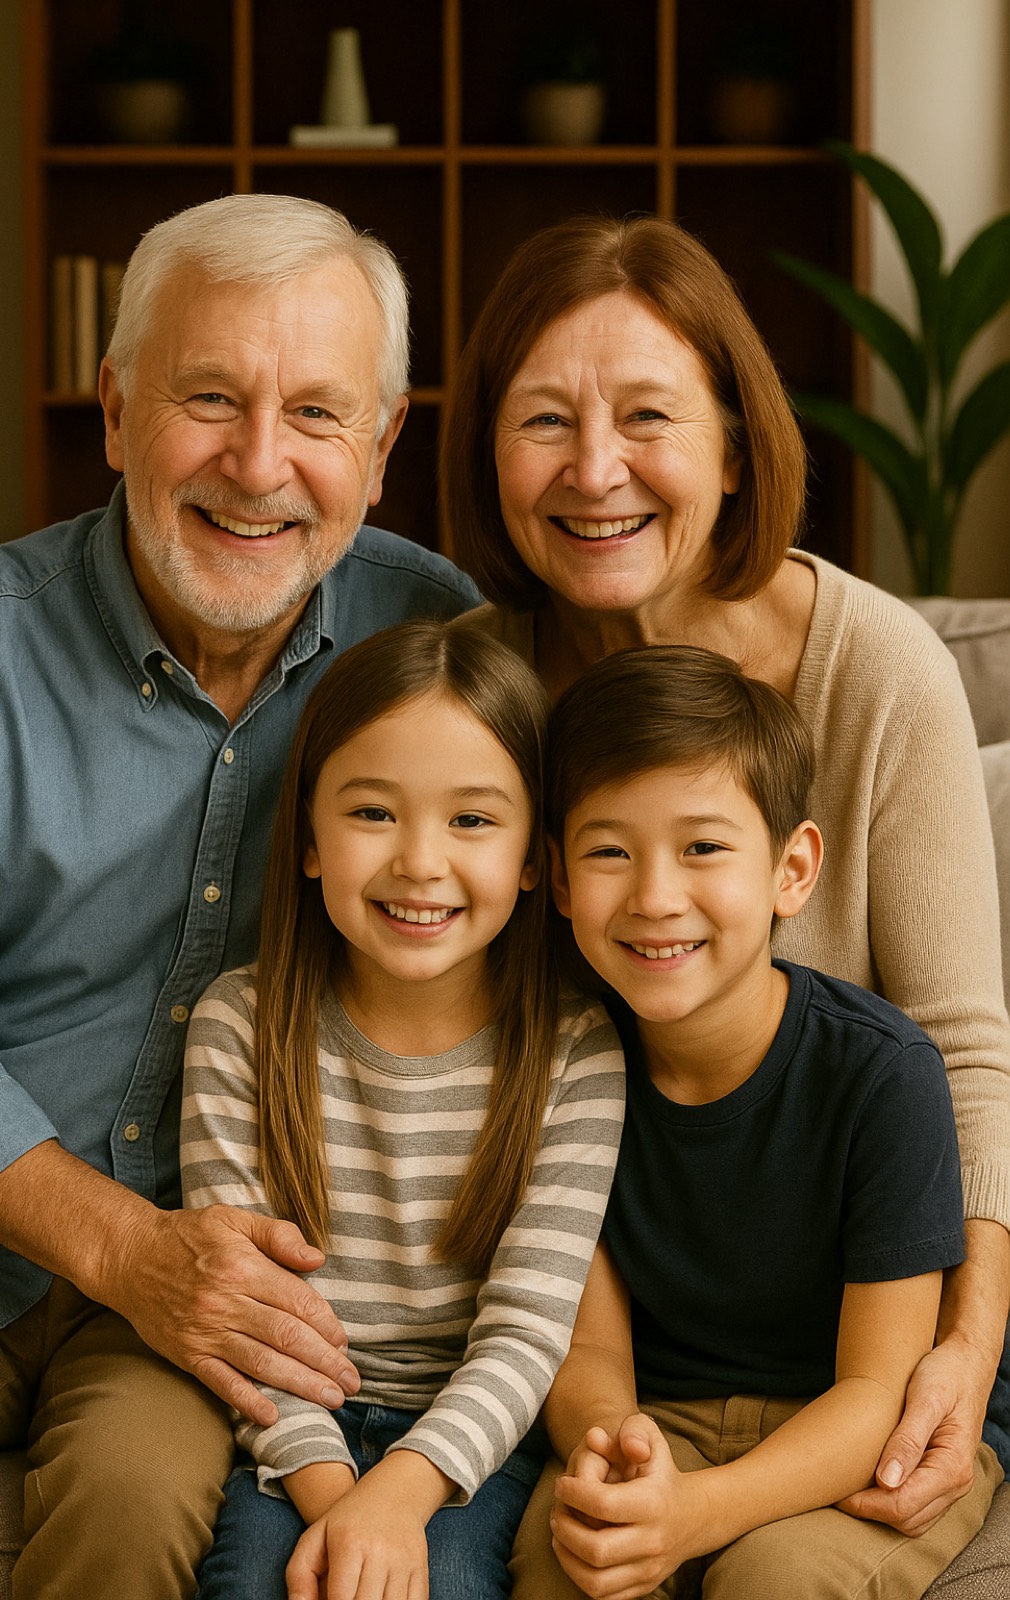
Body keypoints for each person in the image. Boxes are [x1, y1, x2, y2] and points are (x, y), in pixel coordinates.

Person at [0, 193, 481, 1599]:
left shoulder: (440, 648)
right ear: (116, 411)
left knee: (130, 1507)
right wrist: (131, 1251)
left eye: (316, 411)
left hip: (218, 1294)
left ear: (383, 441)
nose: (259, 464)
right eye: (207, 398)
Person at [441, 213, 1010, 1533]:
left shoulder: (873, 675)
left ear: (735, 447)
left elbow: (965, 1048)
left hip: (868, 1316)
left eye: (647, 416)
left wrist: (963, 1349)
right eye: (540, 423)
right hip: (589, 1332)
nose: (594, 472)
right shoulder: (470, 691)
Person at [513, 642, 1003, 1599]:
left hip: (858, 1434)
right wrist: (626, 1456)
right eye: (610, 850)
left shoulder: (882, 1076)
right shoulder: (563, 1067)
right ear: (561, 880)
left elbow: (876, 1392)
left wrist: (700, 1512)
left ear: (792, 869)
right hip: (661, 1416)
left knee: (772, 1580)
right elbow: (590, 1353)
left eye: (703, 847)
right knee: (573, 1562)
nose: (656, 896)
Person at [179, 620, 625, 1600]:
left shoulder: (575, 1050)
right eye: (374, 813)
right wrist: (344, 1500)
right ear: (306, 837)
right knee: (264, 1583)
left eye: (472, 821)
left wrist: (401, 1496)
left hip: (468, 1439)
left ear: (532, 860)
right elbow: (249, 1324)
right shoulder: (237, 1027)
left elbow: (524, 1336)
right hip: (295, 1432)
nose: (421, 862)